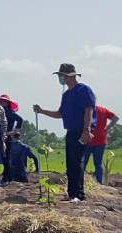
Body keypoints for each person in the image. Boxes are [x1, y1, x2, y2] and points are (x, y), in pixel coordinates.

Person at [31, 63, 95, 201]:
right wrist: (42, 111)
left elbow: (88, 110)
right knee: (70, 162)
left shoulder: (84, 90)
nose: (60, 78)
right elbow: (60, 114)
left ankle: (78, 194)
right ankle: (72, 193)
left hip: (82, 130)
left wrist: (86, 129)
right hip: (71, 131)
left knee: (77, 161)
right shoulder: (66, 95)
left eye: (62, 76)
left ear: (69, 76)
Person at [0, 93, 23, 173]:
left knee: (6, 157)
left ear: (7, 103)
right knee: (0, 157)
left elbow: (20, 119)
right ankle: (6, 174)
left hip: (7, 136)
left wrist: (15, 131)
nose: (2, 103)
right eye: (0, 101)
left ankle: (8, 176)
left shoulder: (10, 113)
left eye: (4, 101)